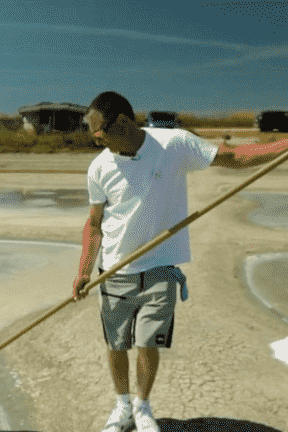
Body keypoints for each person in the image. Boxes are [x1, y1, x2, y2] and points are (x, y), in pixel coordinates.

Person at [71, 91, 288, 432]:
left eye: (98, 131)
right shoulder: (99, 167)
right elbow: (95, 224)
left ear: (123, 122)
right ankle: (122, 406)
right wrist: (84, 271)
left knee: (147, 343)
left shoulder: (173, 144)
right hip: (113, 269)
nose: (94, 138)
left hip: (160, 268)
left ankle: (142, 407)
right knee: (117, 344)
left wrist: (282, 145)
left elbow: (234, 156)